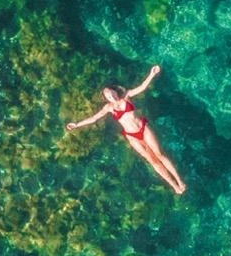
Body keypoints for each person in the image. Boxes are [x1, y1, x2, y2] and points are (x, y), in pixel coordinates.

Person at [65, 64, 186, 194]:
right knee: (153, 161)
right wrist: (77, 124)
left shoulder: (127, 96)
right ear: (106, 99)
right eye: (108, 96)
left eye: (111, 93)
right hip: (132, 137)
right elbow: (94, 118)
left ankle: (179, 180)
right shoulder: (108, 108)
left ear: (115, 91)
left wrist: (152, 74)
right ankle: (174, 185)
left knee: (159, 154)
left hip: (143, 129)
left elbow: (142, 87)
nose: (111, 97)